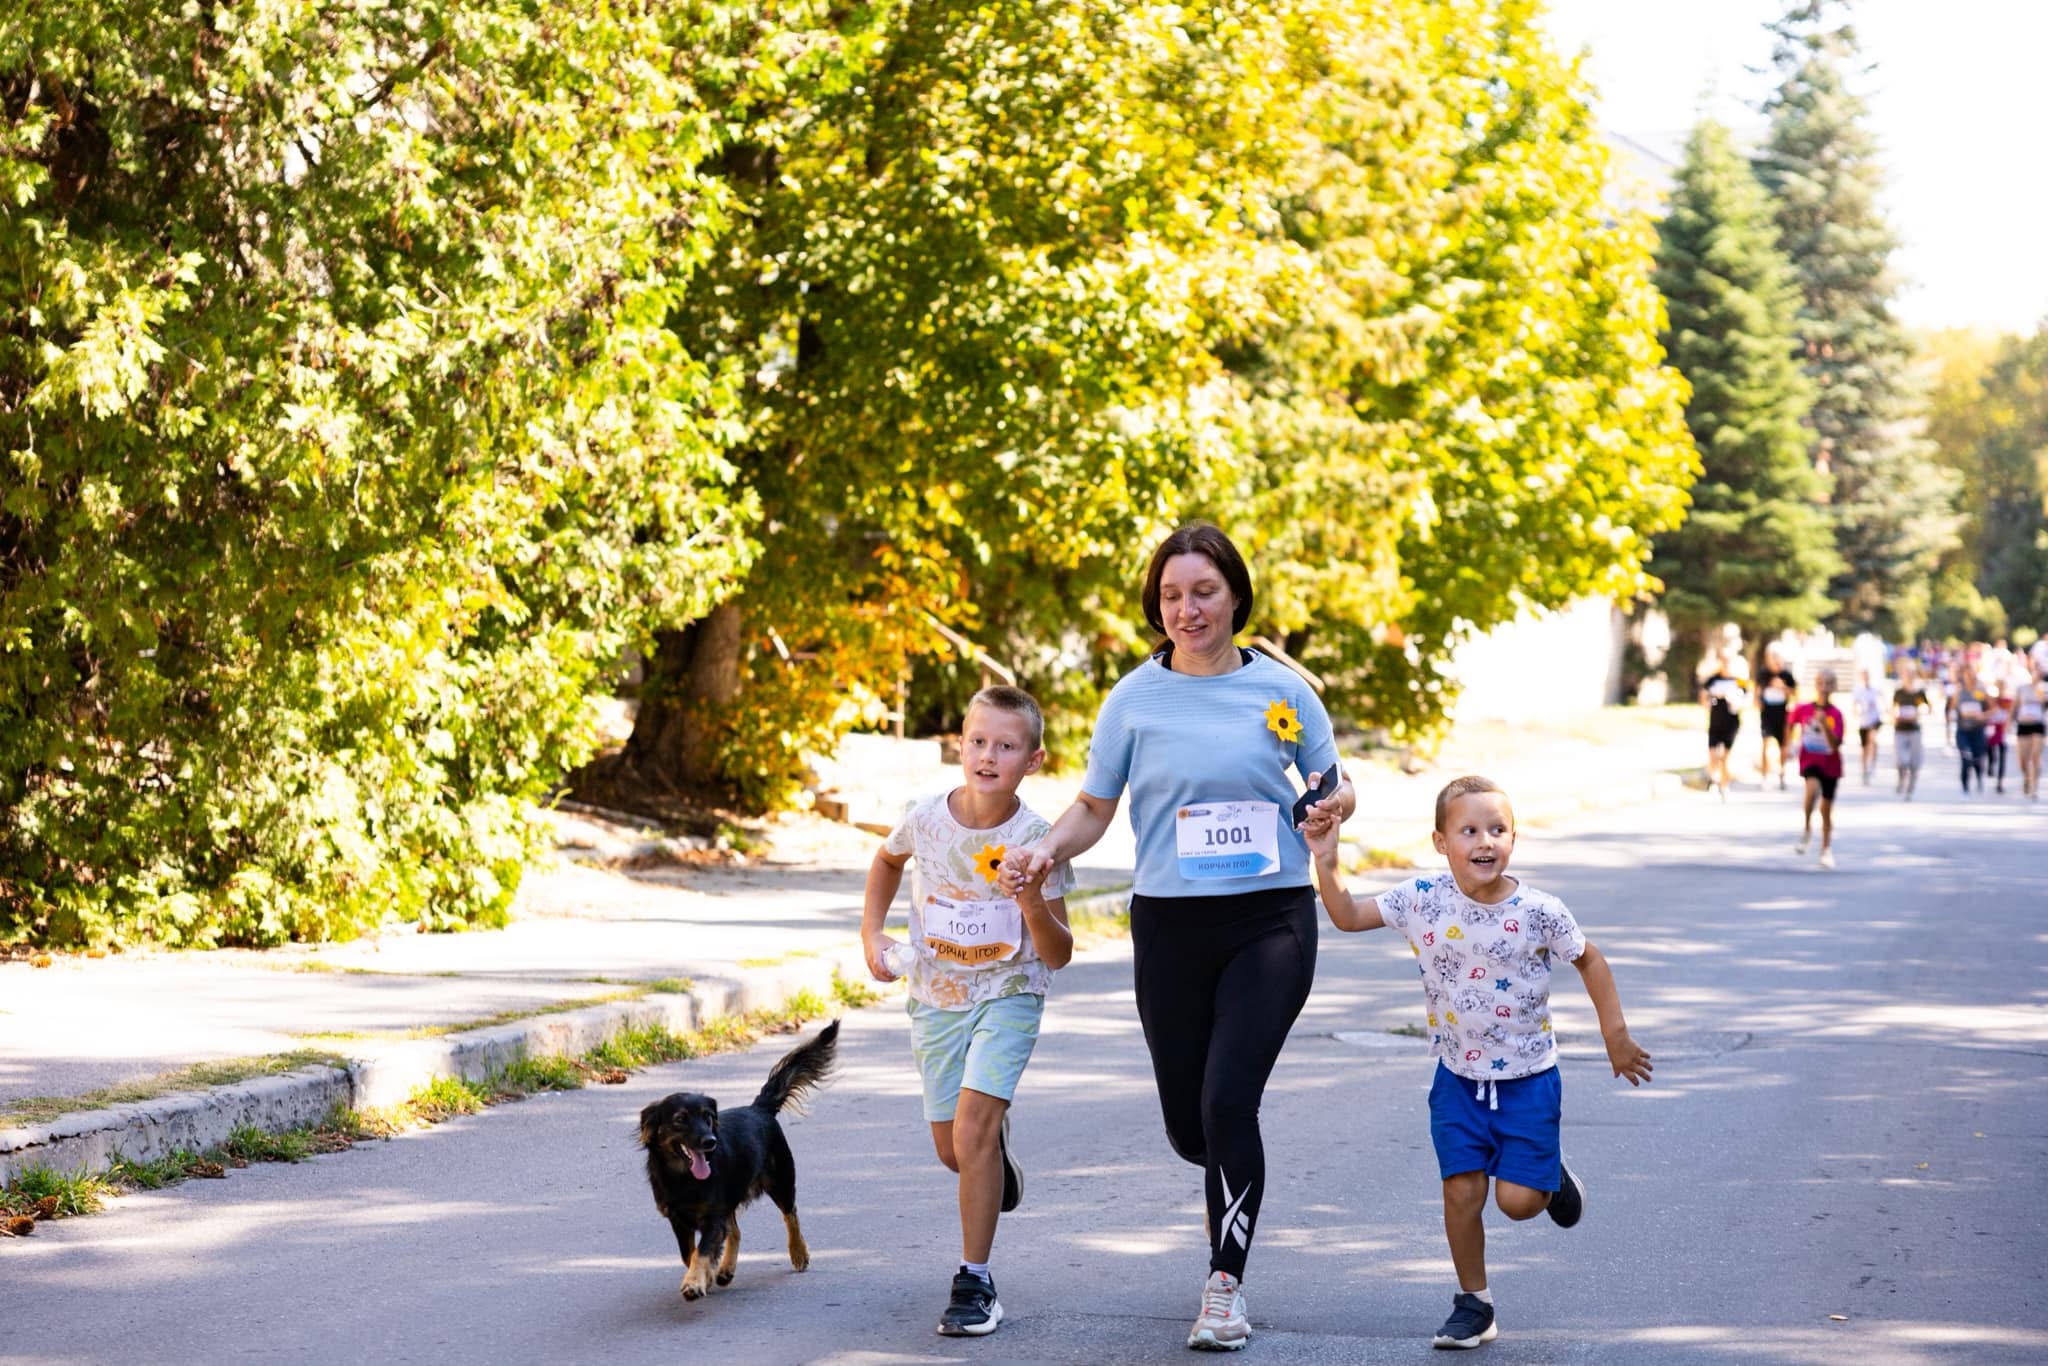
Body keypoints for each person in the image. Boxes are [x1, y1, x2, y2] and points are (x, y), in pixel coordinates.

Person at [998, 523, 1355, 1353]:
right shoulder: (1133, 699)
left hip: (1271, 919)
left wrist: (1332, 808)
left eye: (1203, 592)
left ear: (1236, 595)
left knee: (1228, 1101)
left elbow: (1333, 784)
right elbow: (1095, 806)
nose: (1187, 610)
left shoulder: (1284, 690)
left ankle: (1224, 1288)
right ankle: (1226, 1171)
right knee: (1192, 1128)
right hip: (1169, 925)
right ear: (1155, 606)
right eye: (1171, 595)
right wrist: (1046, 849)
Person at [1303, 776, 1652, 1351]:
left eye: (1497, 830)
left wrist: (1615, 1036)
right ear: (1441, 842)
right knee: (1461, 1192)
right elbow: (1347, 914)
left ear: (1513, 838)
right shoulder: (1422, 898)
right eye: (1469, 830)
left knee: (1517, 1203)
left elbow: (1589, 960)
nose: (1484, 841)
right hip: (1457, 1079)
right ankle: (1474, 1304)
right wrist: (1327, 856)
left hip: (1528, 1080)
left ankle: (1549, 1179)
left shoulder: (1540, 910)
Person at [861, 685, 1076, 1338]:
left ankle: (974, 1282)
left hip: (1009, 995)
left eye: (1006, 746)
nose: (988, 756)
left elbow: (1059, 953)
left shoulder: (1037, 839)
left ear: (1033, 760)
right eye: (978, 742)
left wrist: (1031, 899)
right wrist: (872, 932)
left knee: (973, 1132)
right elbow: (886, 859)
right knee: (954, 1149)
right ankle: (991, 1156)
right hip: (936, 997)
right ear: (959, 744)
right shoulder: (926, 818)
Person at [1789, 670, 1845, 869]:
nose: (1824, 687)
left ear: (1833, 687)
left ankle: (1826, 850)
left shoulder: (1836, 714)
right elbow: (1790, 723)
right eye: (1821, 682)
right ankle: (1806, 828)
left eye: (1829, 683)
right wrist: (1787, 746)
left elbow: (1835, 745)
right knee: (1811, 791)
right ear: (1816, 684)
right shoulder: (1804, 709)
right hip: (1810, 760)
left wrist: (1824, 725)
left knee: (1825, 810)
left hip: (1830, 764)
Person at [1698, 645, 1749, 800]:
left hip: (1731, 722)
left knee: (1725, 757)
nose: (1726, 664)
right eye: (1723, 660)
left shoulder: (1739, 680)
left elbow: (1747, 698)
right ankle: (1714, 781)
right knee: (1713, 755)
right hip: (1715, 721)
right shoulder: (1713, 679)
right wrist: (1710, 699)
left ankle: (1724, 785)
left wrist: (1735, 699)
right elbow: (1703, 697)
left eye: (1729, 661)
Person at [1755, 643, 1799, 791]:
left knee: (1783, 746)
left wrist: (1782, 687)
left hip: (1782, 714)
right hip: (1767, 714)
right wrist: (1758, 702)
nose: (1775, 661)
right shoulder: (1763, 673)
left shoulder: (1786, 675)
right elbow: (1757, 692)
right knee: (1766, 745)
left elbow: (1794, 693)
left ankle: (1782, 775)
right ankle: (1765, 777)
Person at [1891, 658, 1931, 801]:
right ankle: (1901, 777)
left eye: (1911, 673)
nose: (1908, 676)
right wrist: (1895, 716)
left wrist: (1919, 713)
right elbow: (1893, 708)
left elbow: (1927, 707)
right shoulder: (1899, 692)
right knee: (1901, 761)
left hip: (1914, 729)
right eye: (1906, 673)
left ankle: (1910, 789)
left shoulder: (1919, 692)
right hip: (1900, 729)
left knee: (1914, 763)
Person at [1951, 665, 1991, 796]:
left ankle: (1979, 777)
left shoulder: (1981, 691)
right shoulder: (1959, 692)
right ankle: (1965, 788)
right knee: (1966, 758)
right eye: (1966, 675)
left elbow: (1993, 708)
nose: (1968, 677)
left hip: (1978, 730)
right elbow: (1952, 710)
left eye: (1971, 674)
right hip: (1963, 731)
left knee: (1977, 758)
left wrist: (1983, 715)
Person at [2012, 660, 2045, 800]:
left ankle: (2034, 787)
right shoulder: (2022, 688)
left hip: (2038, 725)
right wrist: (2008, 723)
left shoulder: (2044, 689)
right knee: (2023, 760)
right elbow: (2014, 706)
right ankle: (2026, 776)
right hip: (2023, 724)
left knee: (2035, 756)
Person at [1851, 667, 1885, 787]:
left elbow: (1882, 698)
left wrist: (1884, 710)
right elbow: (1855, 704)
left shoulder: (1874, 688)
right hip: (1864, 721)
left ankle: (1872, 764)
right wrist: (1856, 713)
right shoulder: (1858, 690)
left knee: (1873, 740)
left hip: (1874, 719)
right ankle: (1864, 769)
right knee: (1864, 747)